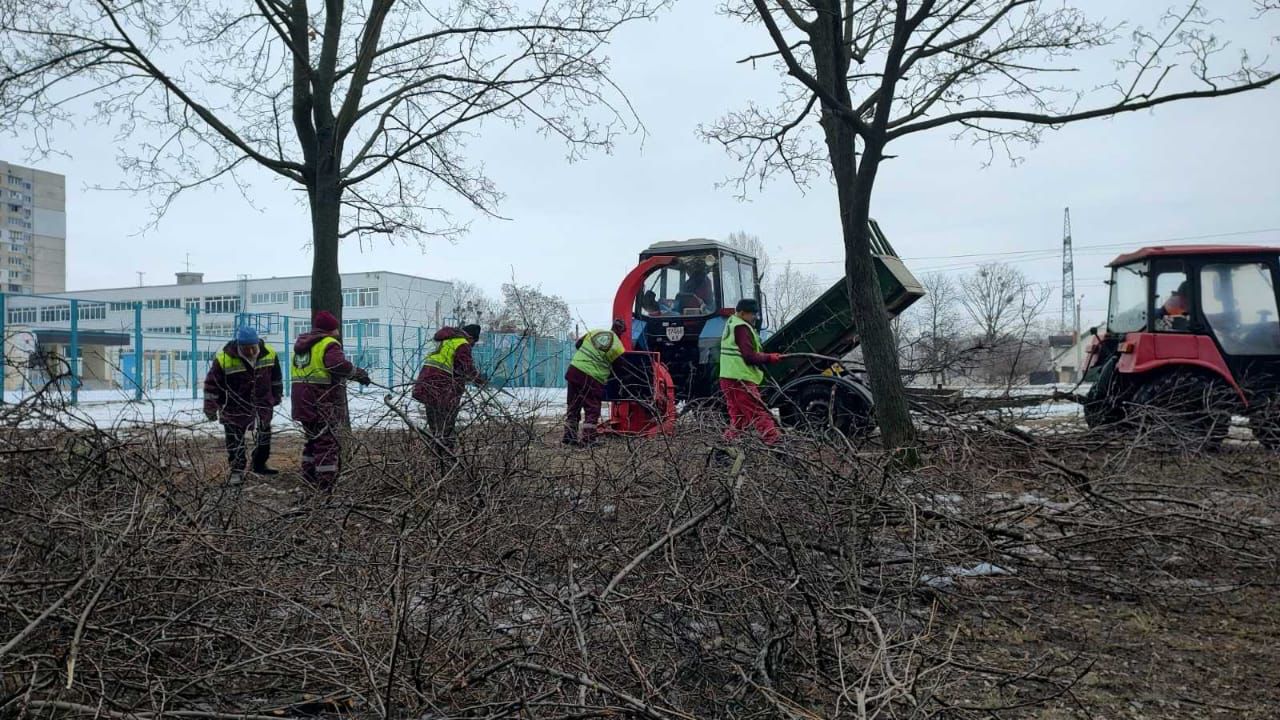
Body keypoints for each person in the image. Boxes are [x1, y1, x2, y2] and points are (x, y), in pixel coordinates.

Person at [290, 310, 370, 491]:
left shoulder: (303, 346)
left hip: (301, 402)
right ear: (331, 329)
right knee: (327, 442)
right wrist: (359, 374)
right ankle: (325, 485)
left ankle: (309, 479)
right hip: (320, 401)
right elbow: (338, 365)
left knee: (312, 440)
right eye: (336, 329)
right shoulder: (328, 344)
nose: (338, 332)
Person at [203, 326, 282, 483]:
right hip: (233, 407)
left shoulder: (270, 354)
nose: (252, 352)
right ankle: (237, 470)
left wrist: (276, 396)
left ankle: (259, 464)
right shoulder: (224, 359)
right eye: (247, 349)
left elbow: (276, 378)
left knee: (264, 436)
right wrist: (210, 407)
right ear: (239, 346)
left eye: (254, 348)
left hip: (262, 404)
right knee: (234, 440)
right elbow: (212, 386)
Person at [719, 298, 786, 445]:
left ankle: (724, 449)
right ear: (742, 313)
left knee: (739, 418)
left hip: (727, 378)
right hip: (739, 379)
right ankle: (776, 445)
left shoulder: (731, 323)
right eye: (752, 314)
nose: (755, 317)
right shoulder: (741, 327)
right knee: (758, 412)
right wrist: (770, 357)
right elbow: (749, 356)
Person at [411, 323, 485, 447]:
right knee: (446, 425)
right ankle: (445, 453)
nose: (472, 346)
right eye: (474, 343)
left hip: (426, 384)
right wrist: (479, 380)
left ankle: (436, 453)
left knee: (435, 425)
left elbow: (455, 366)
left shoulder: (444, 340)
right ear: (471, 338)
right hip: (442, 388)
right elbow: (466, 367)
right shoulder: (462, 343)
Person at [564, 319, 627, 446]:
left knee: (573, 406)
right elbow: (620, 368)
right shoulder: (618, 346)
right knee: (592, 409)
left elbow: (578, 345)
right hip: (591, 377)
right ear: (622, 332)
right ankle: (588, 440)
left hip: (574, 370)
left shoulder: (595, 332)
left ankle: (569, 437)